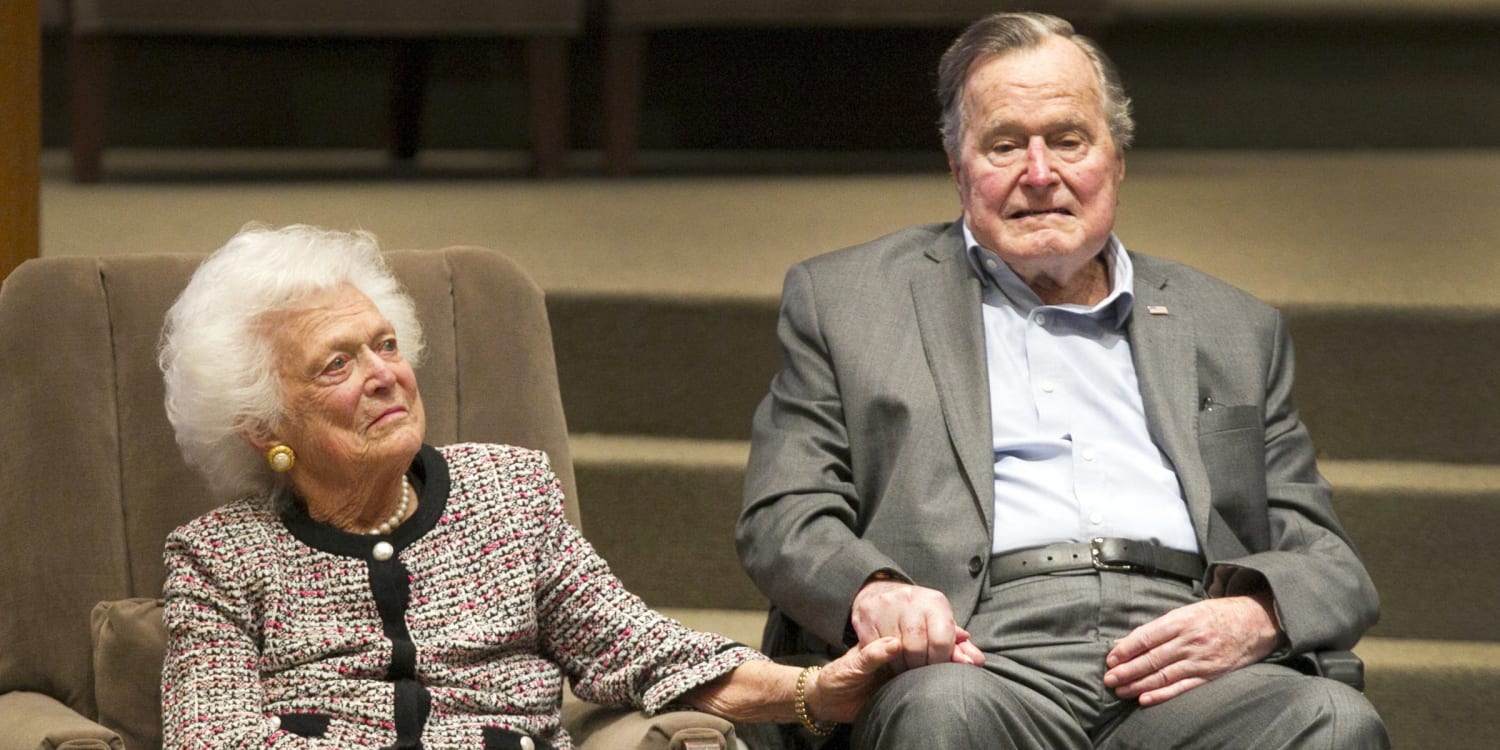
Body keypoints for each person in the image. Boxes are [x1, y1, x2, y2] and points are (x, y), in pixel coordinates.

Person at [737, 12, 1387, 749]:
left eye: (1068, 140)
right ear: (958, 168)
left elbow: (1329, 563)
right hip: (977, 653)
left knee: (1332, 723)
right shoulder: (847, 302)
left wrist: (1258, 616)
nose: (1039, 174)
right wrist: (873, 591)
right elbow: (783, 513)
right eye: (1005, 144)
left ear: (1115, 159)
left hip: (1181, 665)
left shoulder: (1233, 325)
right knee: (939, 713)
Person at [157, 224, 900, 749]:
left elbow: (640, 649)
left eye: (386, 345)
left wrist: (812, 692)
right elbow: (212, 736)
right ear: (262, 426)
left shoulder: (507, 495)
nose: (385, 374)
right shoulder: (219, 559)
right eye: (337, 364)